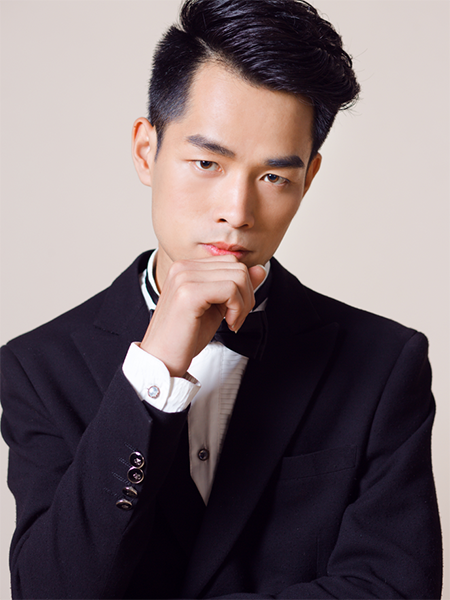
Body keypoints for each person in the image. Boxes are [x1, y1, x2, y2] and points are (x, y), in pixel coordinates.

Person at [0, 0, 442, 598]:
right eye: (207, 162)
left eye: (274, 177)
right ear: (146, 151)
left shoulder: (384, 362)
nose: (237, 211)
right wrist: (153, 372)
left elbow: (394, 589)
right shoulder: (37, 368)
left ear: (308, 180)